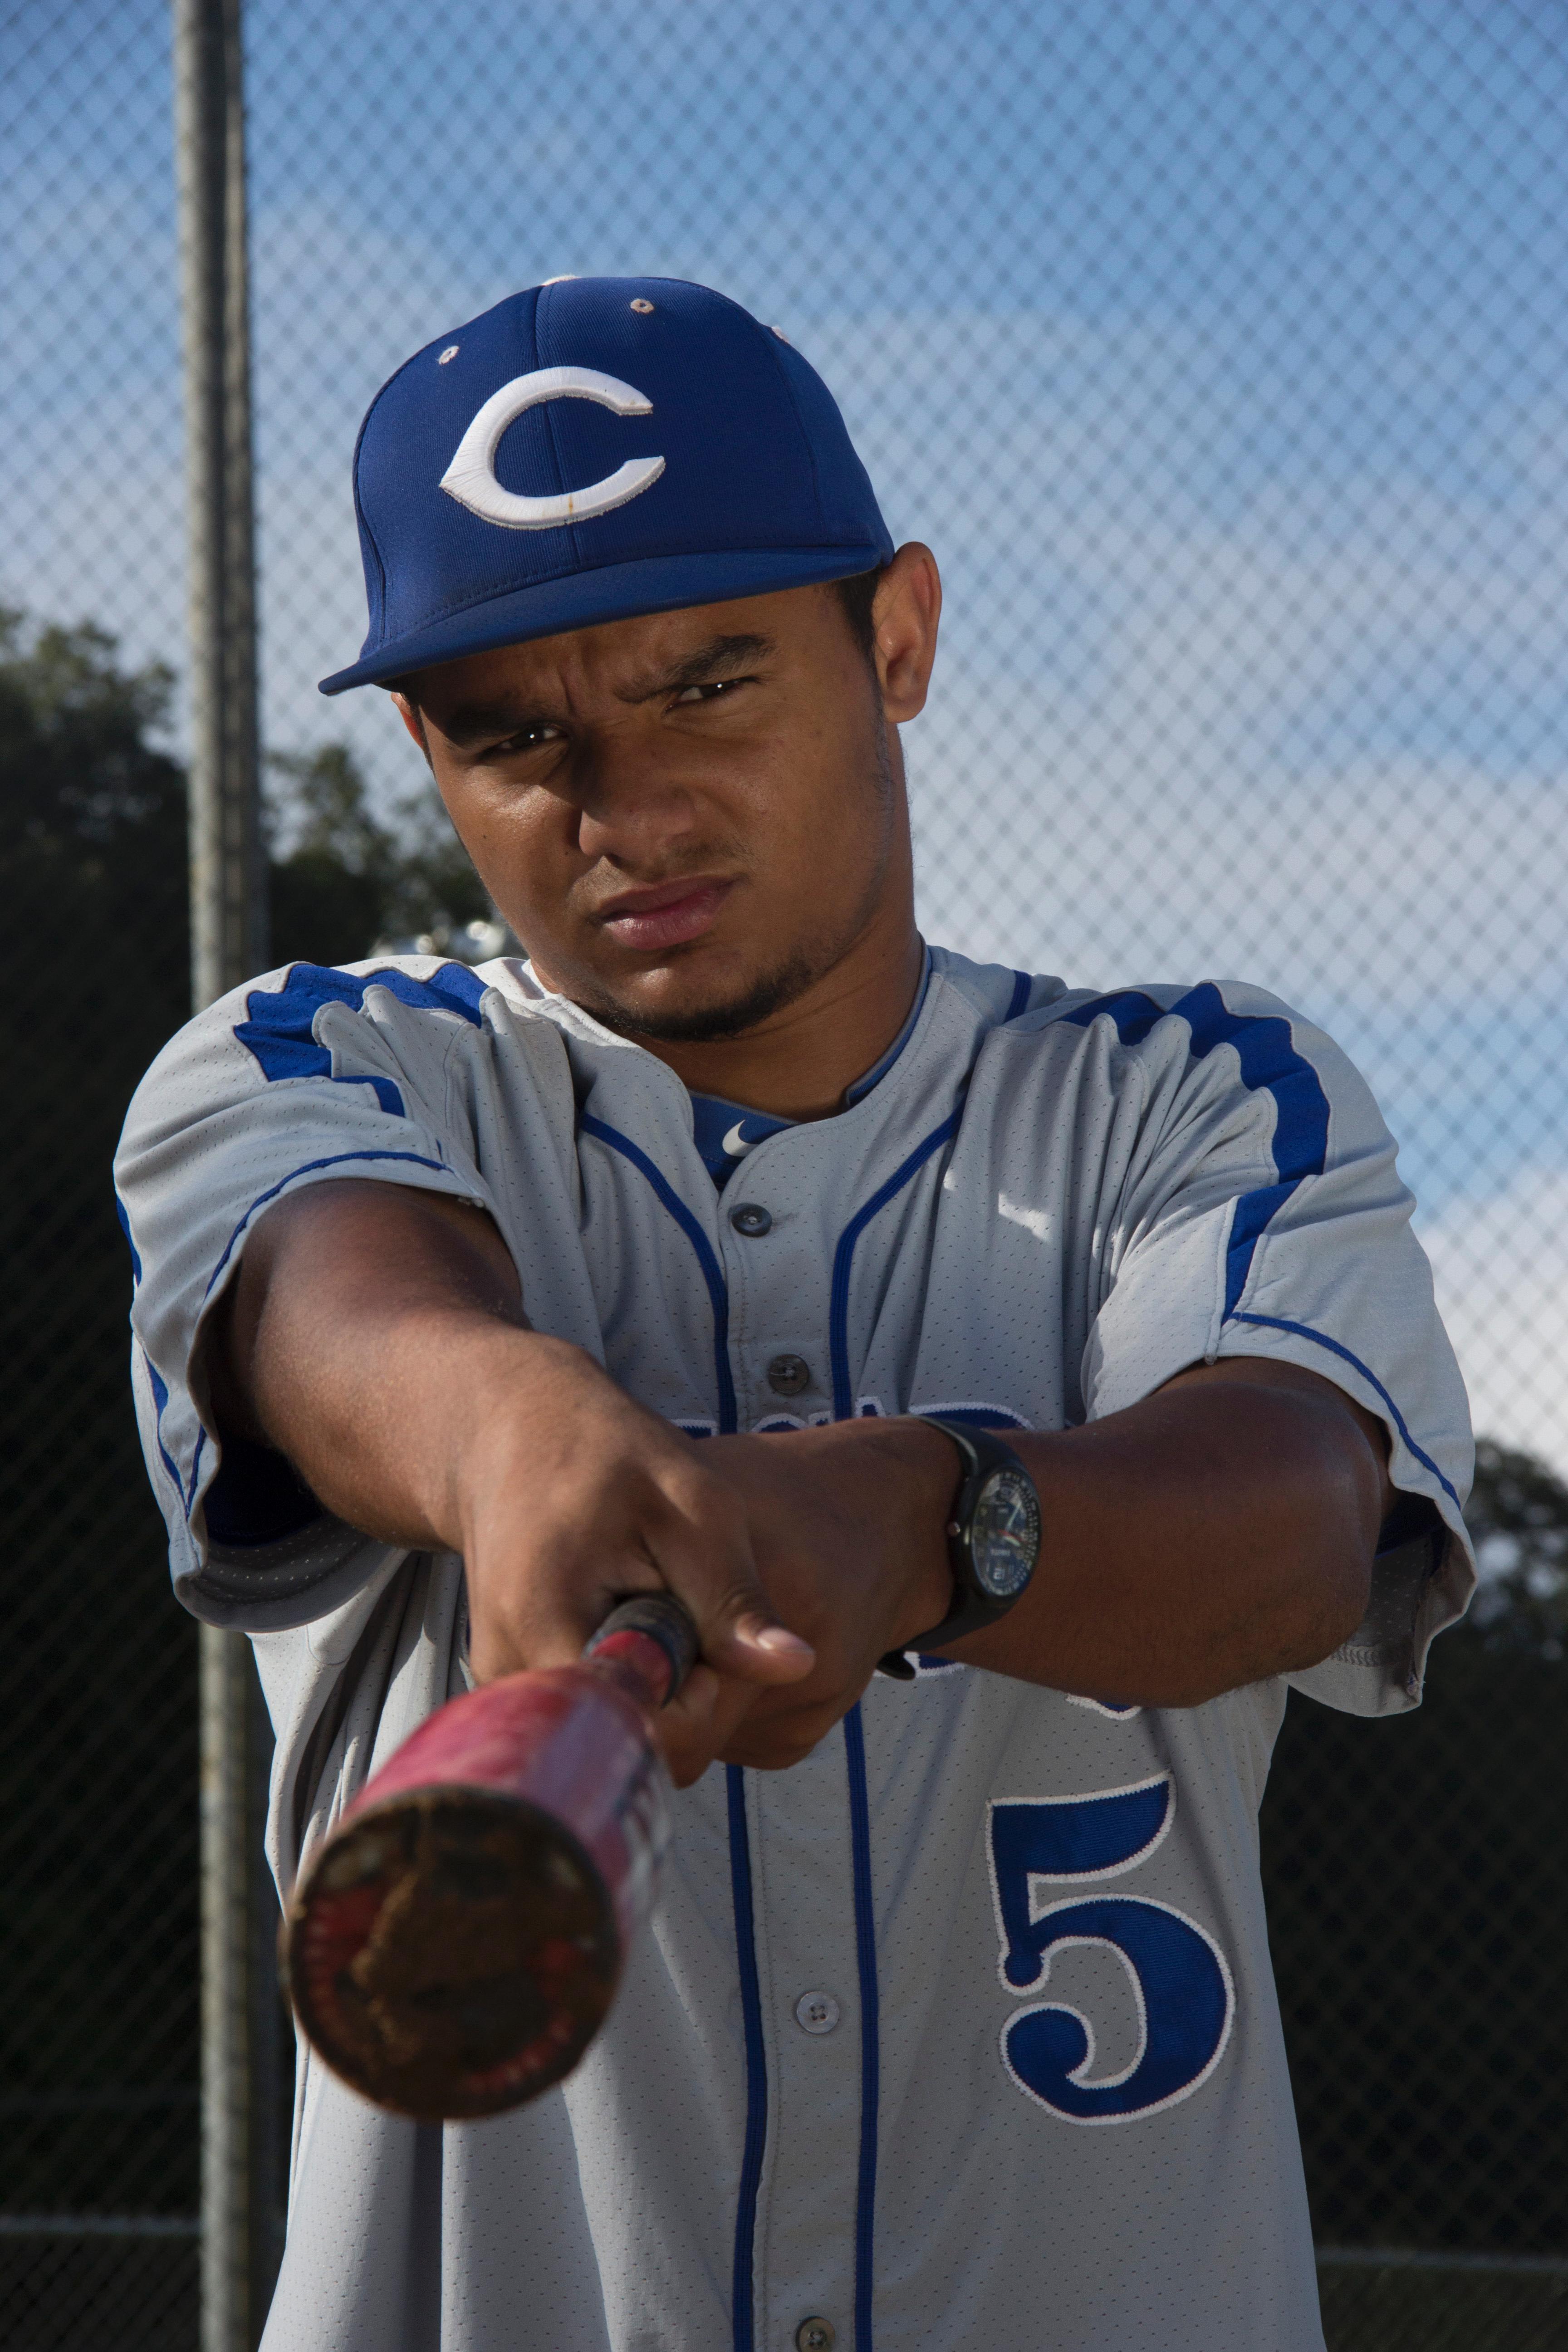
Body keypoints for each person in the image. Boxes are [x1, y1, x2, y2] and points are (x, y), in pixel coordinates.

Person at [116, 275, 1475, 2352]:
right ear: (424, 751)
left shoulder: (1189, 1091)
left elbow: (1297, 1519)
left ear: (898, 639)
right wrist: (506, 1433)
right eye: (518, 734)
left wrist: (928, 1519)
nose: (627, 811)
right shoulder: (324, 1060)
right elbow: (335, 1297)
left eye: (710, 682)